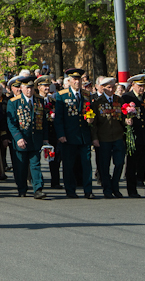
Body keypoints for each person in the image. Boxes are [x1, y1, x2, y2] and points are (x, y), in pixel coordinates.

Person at [54, 68, 94, 199]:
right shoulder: (62, 95)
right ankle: (70, 189)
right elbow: (59, 118)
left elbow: (90, 112)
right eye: (75, 79)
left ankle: (88, 190)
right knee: (69, 164)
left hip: (83, 135)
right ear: (69, 81)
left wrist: (91, 119)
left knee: (87, 163)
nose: (77, 82)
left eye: (79, 79)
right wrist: (61, 134)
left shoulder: (86, 94)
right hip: (69, 135)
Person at [6, 76, 47, 199]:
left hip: (35, 139)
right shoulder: (14, 102)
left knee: (35, 164)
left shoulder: (39, 100)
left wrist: (45, 138)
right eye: (26, 88)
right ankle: (22, 188)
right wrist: (18, 138)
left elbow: (43, 120)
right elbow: (11, 122)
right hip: (21, 139)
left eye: (31, 88)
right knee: (21, 166)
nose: (29, 91)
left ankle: (38, 188)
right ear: (21, 88)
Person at [90, 76, 125, 199]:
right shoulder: (98, 103)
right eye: (108, 87)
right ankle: (107, 189)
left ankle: (115, 186)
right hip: (103, 138)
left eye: (113, 87)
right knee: (104, 165)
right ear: (103, 88)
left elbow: (123, 118)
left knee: (120, 162)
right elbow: (94, 123)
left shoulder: (119, 100)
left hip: (118, 136)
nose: (111, 89)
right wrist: (94, 138)